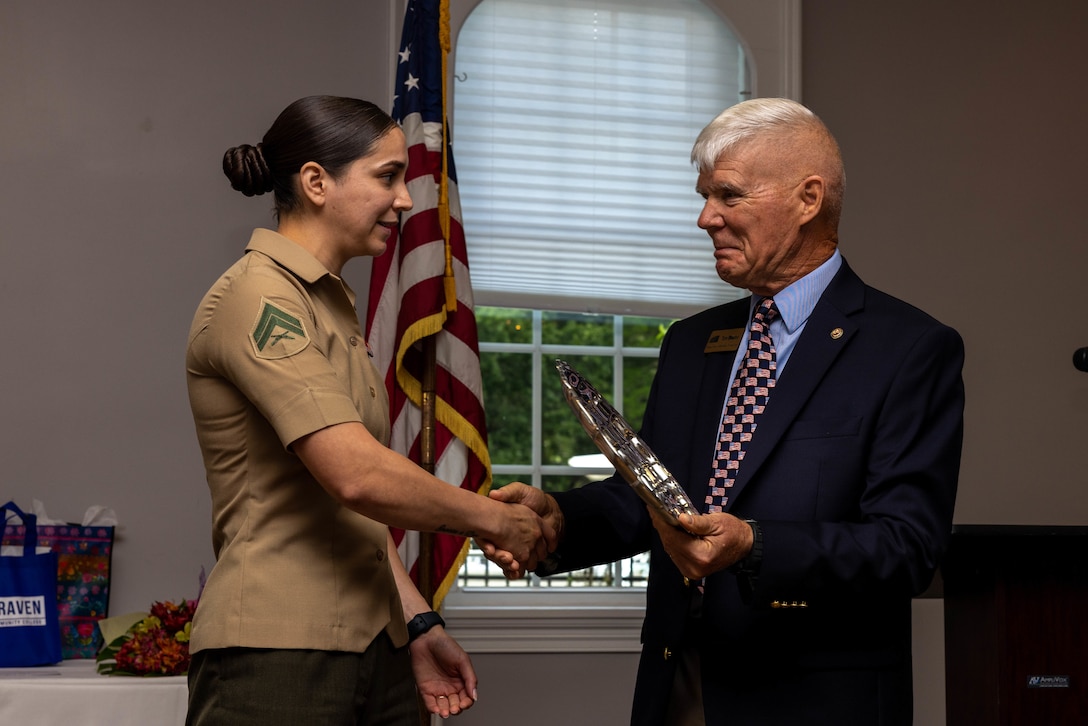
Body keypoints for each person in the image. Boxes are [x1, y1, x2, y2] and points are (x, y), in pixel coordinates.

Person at [489, 97, 964, 725]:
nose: (704, 218)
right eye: (704, 195)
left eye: (729, 195)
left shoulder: (908, 349)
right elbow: (655, 501)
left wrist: (754, 545)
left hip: (814, 700)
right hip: (680, 684)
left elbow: (907, 547)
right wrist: (558, 522)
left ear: (808, 198)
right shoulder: (691, 343)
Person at [184, 95, 555, 726]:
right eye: (386, 177)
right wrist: (494, 522)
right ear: (316, 182)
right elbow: (356, 474)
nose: (405, 200)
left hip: (374, 644)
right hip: (277, 650)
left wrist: (416, 622)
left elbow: (346, 509)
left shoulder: (331, 306)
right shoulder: (259, 297)